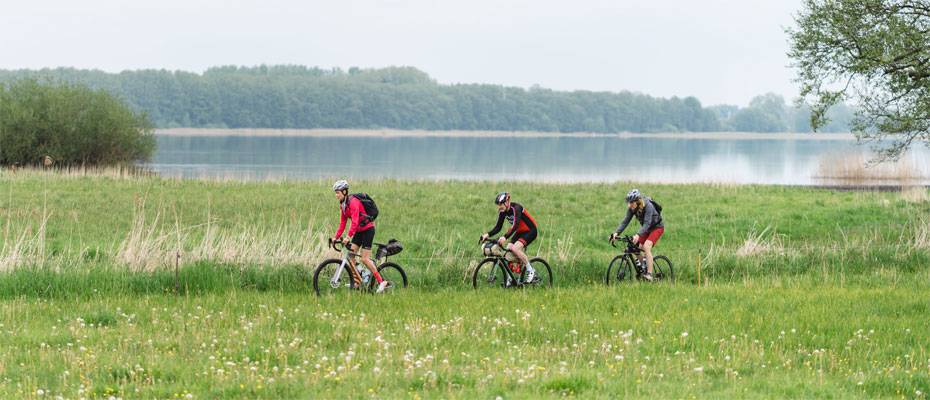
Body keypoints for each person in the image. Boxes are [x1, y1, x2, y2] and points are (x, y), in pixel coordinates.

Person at [330, 180, 390, 293]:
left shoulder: (353, 202)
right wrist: (335, 237)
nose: (336, 195)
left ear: (344, 191)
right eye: (335, 192)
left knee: (364, 259)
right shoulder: (343, 205)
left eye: (338, 192)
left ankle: (382, 281)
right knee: (351, 256)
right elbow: (342, 223)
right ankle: (357, 281)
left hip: (368, 230)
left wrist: (348, 237)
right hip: (358, 231)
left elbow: (355, 221)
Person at [479, 192, 539, 285]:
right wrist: (488, 234)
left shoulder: (516, 208)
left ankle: (531, 271)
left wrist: (505, 237)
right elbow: (498, 227)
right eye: (498, 205)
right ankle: (511, 278)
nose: (499, 207)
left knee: (515, 248)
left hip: (530, 230)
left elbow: (515, 225)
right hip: (520, 232)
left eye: (501, 204)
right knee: (507, 253)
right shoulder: (502, 212)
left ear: (507, 202)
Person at [610, 189, 665, 281]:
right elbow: (625, 221)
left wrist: (638, 235)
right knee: (634, 247)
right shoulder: (632, 208)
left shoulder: (648, 206)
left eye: (631, 202)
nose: (629, 205)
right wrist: (616, 233)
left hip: (657, 228)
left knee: (646, 247)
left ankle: (649, 274)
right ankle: (643, 265)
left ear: (637, 201)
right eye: (628, 202)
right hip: (646, 229)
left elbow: (647, 223)